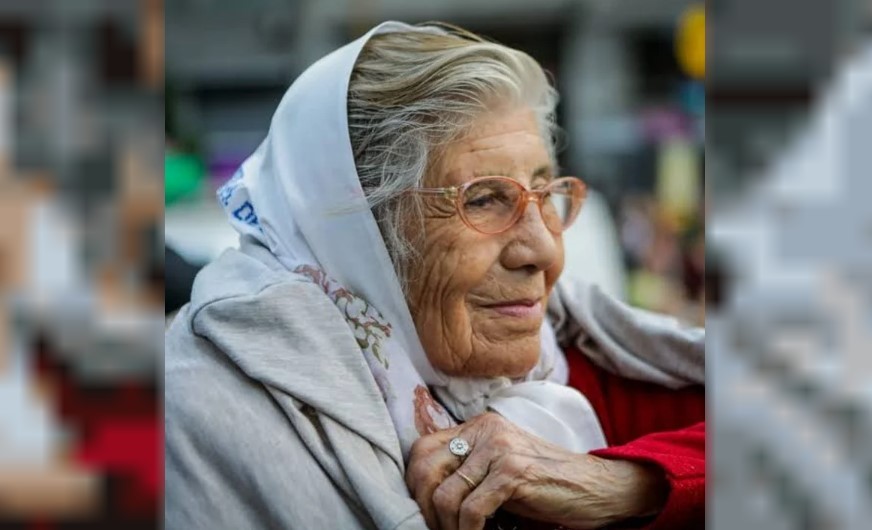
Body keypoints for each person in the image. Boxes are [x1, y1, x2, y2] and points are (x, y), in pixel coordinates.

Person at [164, 21, 704, 530]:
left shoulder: (569, 352)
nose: (542, 250)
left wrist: (622, 483)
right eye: (487, 199)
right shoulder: (200, 412)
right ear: (359, 234)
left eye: (546, 193)